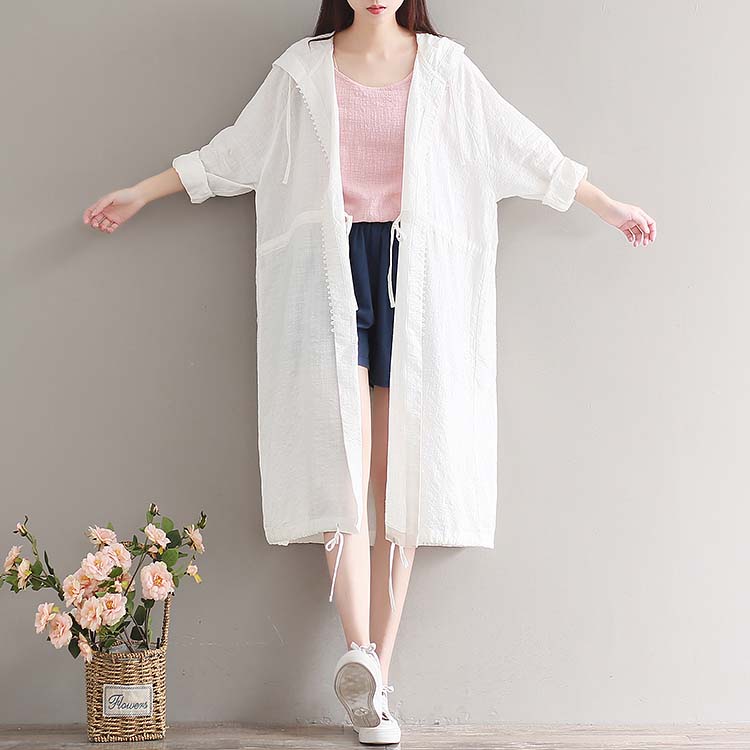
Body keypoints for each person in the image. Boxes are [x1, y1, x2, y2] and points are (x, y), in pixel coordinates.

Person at [82, 1, 656, 744]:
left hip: (415, 280)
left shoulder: (445, 70)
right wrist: (143, 191)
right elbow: (234, 154)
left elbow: (522, 147)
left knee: (399, 475)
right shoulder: (303, 70)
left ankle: (375, 680)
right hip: (327, 273)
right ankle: (360, 655)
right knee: (340, 465)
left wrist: (607, 205)